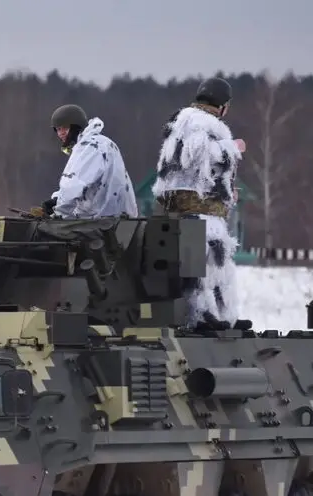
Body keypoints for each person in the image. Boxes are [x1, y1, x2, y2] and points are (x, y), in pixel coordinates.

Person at [151, 77, 246, 329]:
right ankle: (203, 316)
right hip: (198, 209)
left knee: (213, 267)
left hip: (197, 211)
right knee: (204, 267)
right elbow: (193, 155)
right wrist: (229, 149)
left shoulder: (185, 121)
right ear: (223, 104)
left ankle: (221, 315)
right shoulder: (198, 123)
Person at [39, 104, 138, 220]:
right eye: (58, 129)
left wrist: (58, 212)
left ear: (76, 126)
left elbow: (74, 184)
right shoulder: (97, 143)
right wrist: (57, 200)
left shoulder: (91, 147)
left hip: (105, 223)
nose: (60, 134)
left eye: (64, 128)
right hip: (110, 219)